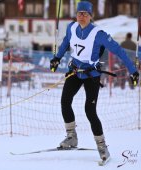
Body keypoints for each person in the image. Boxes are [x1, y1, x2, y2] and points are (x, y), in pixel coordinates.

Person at [50, 1, 139, 162]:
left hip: (91, 75)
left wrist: (133, 71)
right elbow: (65, 43)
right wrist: (56, 58)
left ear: (91, 16)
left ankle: (103, 148)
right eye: (79, 13)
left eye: (85, 14)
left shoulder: (99, 34)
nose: (81, 16)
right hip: (75, 71)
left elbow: (119, 51)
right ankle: (71, 138)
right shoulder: (71, 28)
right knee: (65, 102)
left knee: (89, 111)